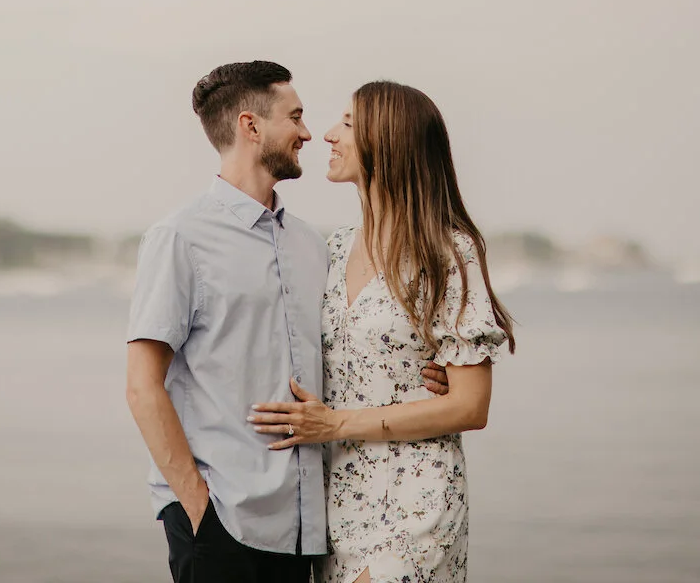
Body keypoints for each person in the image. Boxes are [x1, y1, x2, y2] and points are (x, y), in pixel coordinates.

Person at [125, 63, 449, 583]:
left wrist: (426, 373)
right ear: (250, 126)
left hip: (308, 530)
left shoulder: (314, 245)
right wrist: (197, 507)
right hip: (222, 521)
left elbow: (356, 346)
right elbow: (142, 387)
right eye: (295, 117)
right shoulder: (179, 238)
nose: (307, 133)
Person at [249, 80, 517, 583]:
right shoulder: (330, 248)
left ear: (387, 142)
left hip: (415, 502)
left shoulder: (448, 255)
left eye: (348, 124)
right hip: (335, 508)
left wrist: (334, 424)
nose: (328, 134)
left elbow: (470, 406)